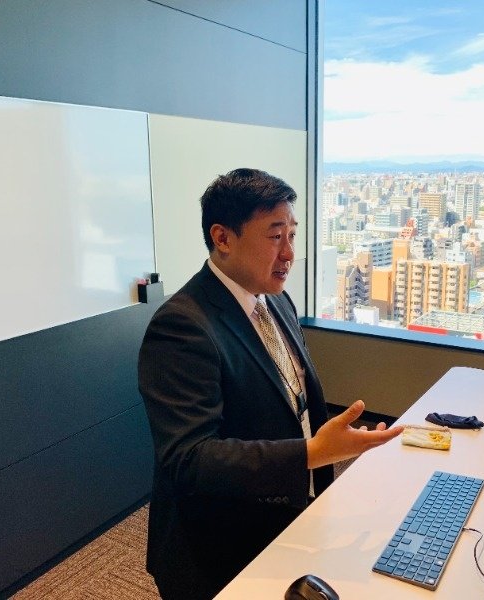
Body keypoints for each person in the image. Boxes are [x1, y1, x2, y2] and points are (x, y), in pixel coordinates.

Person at [138, 168, 403, 600]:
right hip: (219, 549)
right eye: (275, 236)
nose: (289, 253)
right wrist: (312, 453)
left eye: (292, 235)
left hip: (286, 517)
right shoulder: (182, 327)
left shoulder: (275, 299)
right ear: (223, 238)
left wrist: (323, 465)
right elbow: (189, 459)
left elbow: (290, 401)